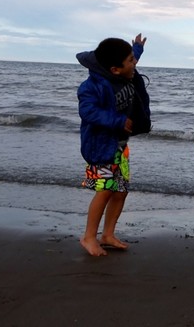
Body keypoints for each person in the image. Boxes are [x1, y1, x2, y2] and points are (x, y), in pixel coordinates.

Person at [76, 34, 150, 256]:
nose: (134, 63)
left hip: (119, 147)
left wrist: (136, 49)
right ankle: (89, 237)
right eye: (130, 61)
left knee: (120, 191)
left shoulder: (120, 72)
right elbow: (87, 111)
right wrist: (117, 121)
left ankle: (107, 234)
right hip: (100, 147)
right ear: (115, 69)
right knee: (105, 190)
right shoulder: (91, 87)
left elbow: (130, 58)